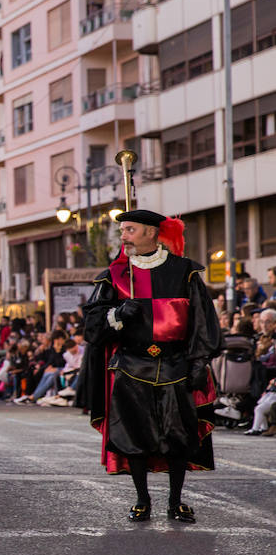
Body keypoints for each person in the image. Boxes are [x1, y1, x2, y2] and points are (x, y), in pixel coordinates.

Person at [82, 210, 221, 523]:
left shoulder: (185, 272)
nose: (124, 236)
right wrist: (117, 314)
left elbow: (203, 322)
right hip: (131, 365)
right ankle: (142, 500)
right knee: (134, 436)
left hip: (176, 365)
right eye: (122, 230)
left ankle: (175, 501)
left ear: (150, 232)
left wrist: (199, 362)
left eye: (129, 230)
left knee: (178, 436)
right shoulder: (114, 276)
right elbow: (91, 326)